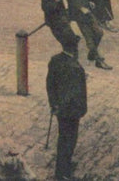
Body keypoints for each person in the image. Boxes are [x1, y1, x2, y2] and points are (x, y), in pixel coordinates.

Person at [46, 36, 88, 181]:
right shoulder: (75, 68)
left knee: (63, 138)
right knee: (69, 140)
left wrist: (54, 104)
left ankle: (63, 167)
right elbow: (72, 93)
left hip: (59, 109)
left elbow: (50, 83)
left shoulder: (55, 60)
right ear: (74, 48)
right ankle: (63, 172)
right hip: (71, 111)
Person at [67, 0, 111, 70]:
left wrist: (88, 3)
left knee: (99, 33)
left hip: (87, 11)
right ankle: (98, 61)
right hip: (79, 15)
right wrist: (81, 7)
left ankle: (92, 54)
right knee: (89, 38)